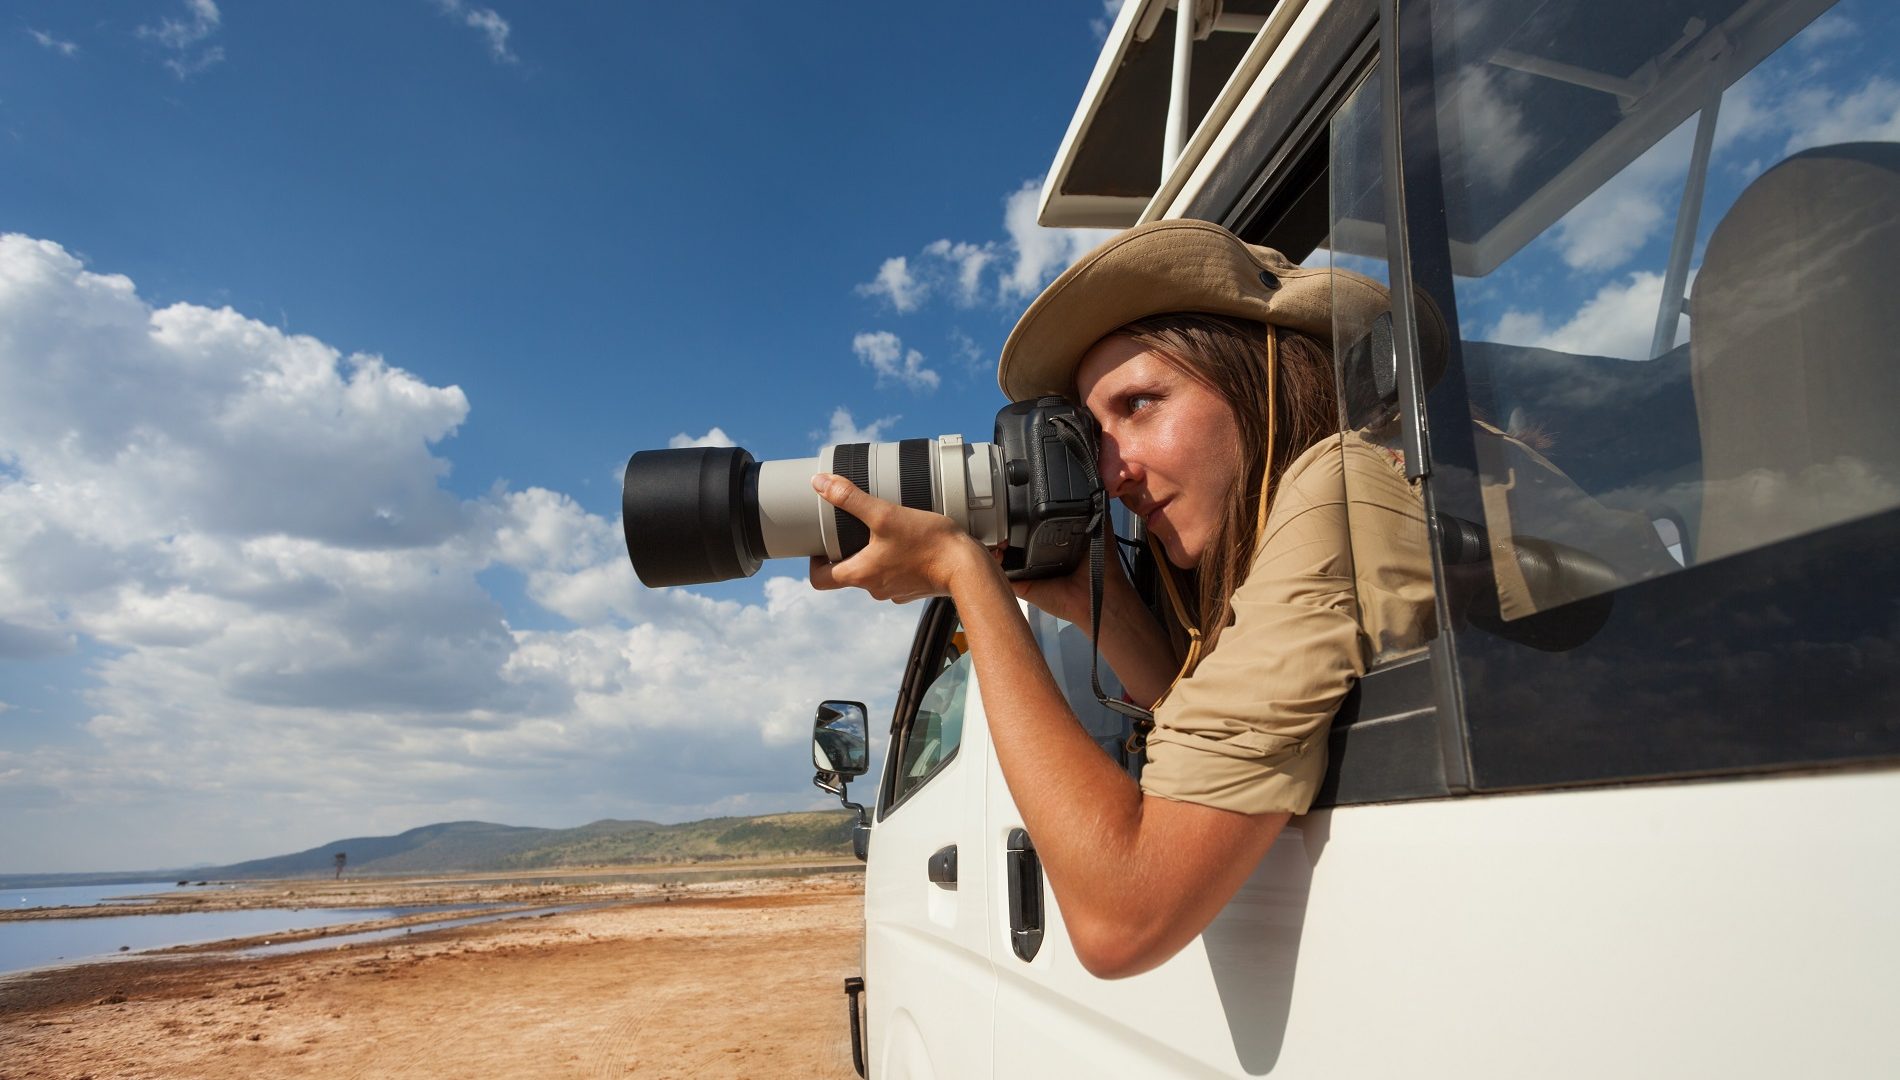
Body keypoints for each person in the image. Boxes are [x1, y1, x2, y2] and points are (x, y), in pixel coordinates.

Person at [807, 219, 1434, 978]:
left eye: (1138, 406)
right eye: (1094, 435)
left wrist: (962, 572)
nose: (1111, 473)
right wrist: (1086, 598)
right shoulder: (1345, 497)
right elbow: (1237, 742)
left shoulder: (1338, 483)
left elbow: (1120, 915)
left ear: (1261, 378)